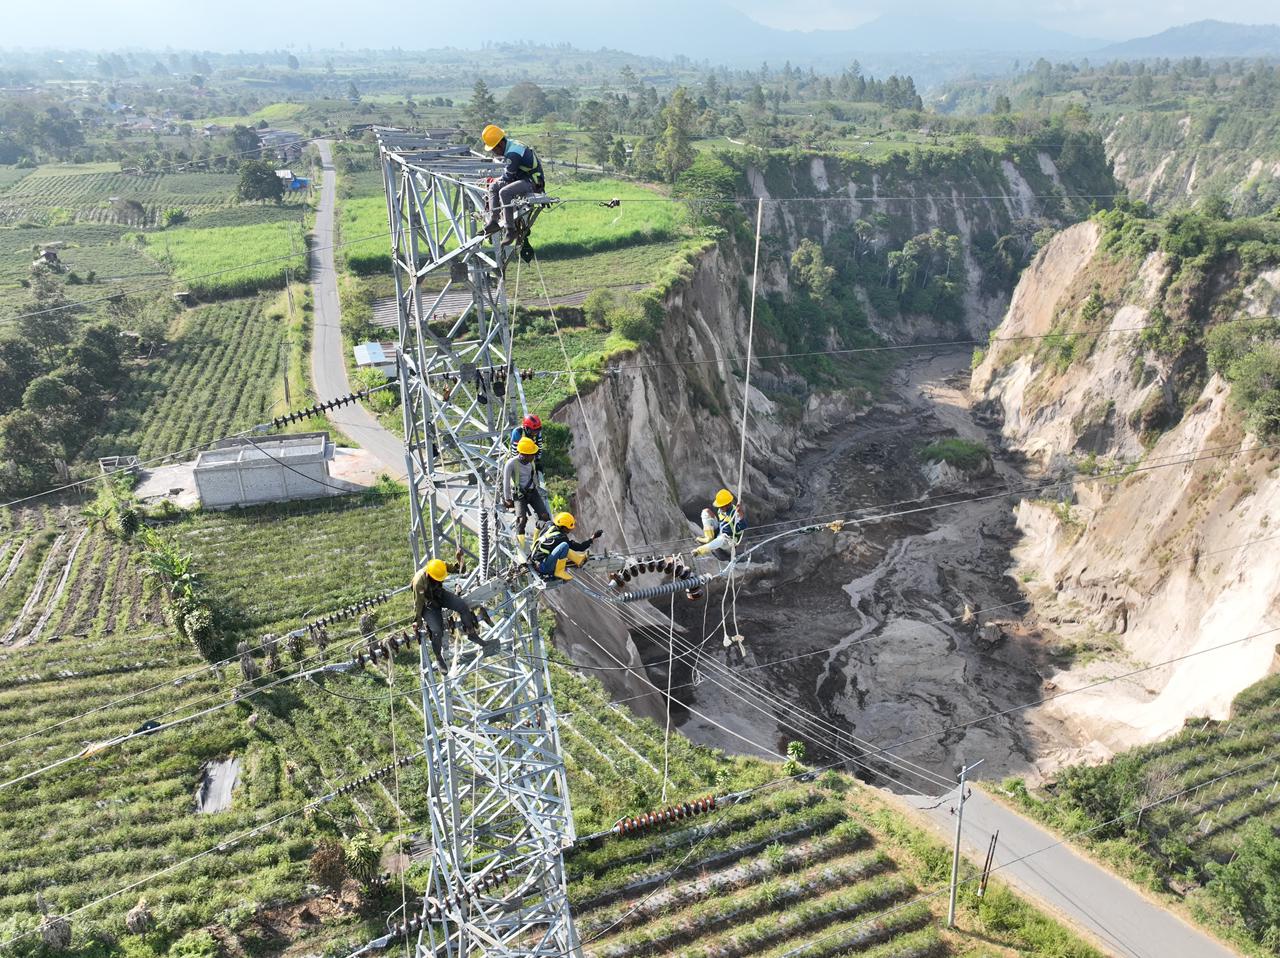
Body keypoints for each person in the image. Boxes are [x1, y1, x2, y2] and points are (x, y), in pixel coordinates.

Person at [411, 556, 487, 670]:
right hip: (428, 603)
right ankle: (438, 656)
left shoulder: (441, 566)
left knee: (462, 606)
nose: (440, 580)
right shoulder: (419, 582)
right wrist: (417, 621)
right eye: (438, 579)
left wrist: (460, 559)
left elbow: (461, 570)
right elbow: (418, 603)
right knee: (437, 629)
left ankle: (472, 634)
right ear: (429, 575)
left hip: (439, 594)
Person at [480, 124, 546, 244]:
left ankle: (511, 230)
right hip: (522, 178)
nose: (494, 153)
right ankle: (494, 221)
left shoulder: (513, 154)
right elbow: (508, 175)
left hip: (533, 182)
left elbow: (508, 176)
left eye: (494, 149)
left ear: (500, 144)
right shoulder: (510, 145)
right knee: (493, 186)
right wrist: (497, 181)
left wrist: (500, 179)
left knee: (504, 192)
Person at [501, 436, 550, 543]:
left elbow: (534, 477)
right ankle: (521, 545)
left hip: (532, 492)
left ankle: (538, 540)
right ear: (524, 454)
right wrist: (508, 499)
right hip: (519, 495)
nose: (534, 455)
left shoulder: (531, 462)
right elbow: (506, 481)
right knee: (521, 520)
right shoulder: (512, 463)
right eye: (531, 454)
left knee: (545, 516)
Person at [529, 512, 602, 581]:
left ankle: (578, 559)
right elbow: (580, 547)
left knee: (561, 547)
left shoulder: (549, 524)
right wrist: (593, 537)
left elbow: (537, 524)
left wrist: (534, 543)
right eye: (569, 528)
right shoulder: (561, 538)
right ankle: (559, 571)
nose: (570, 529)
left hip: (534, 558)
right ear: (563, 527)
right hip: (543, 567)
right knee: (564, 546)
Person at [693, 488, 746, 557]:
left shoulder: (735, 513)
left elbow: (742, 527)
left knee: (722, 537)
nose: (719, 507)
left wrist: (741, 515)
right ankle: (709, 538)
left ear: (727, 504)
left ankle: (700, 550)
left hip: (729, 540)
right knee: (706, 511)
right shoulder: (721, 511)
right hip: (720, 532)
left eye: (721, 506)